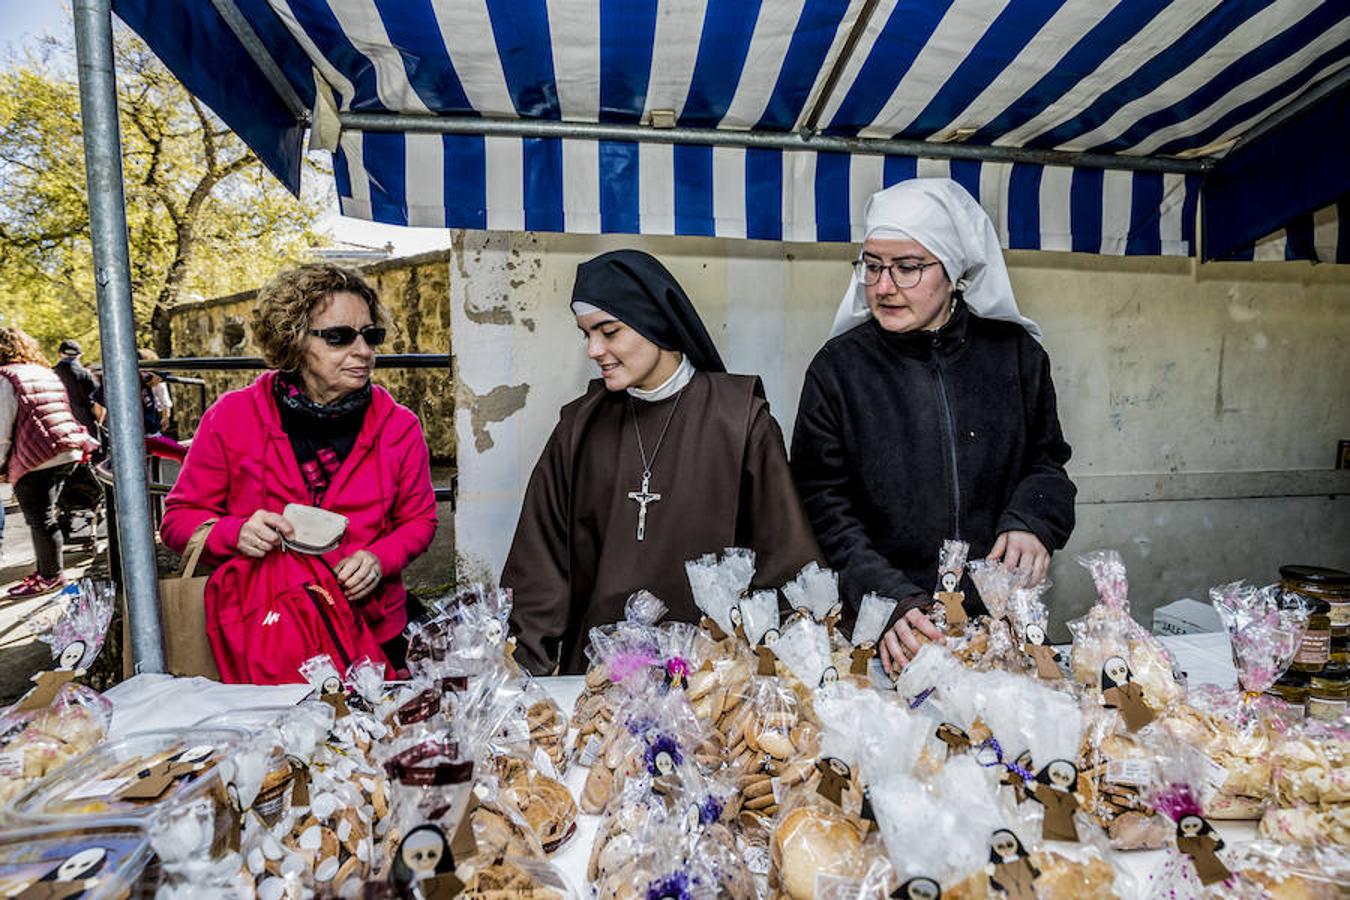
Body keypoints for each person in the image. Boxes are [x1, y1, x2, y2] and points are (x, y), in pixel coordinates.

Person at [791, 179, 1075, 675]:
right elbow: (820, 503)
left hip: (999, 626)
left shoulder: (1016, 356)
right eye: (872, 266)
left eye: (907, 268)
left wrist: (1033, 519)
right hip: (889, 628)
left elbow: (1046, 462)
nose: (883, 286)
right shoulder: (838, 371)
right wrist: (888, 598)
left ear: (953, 271)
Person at [503, 250, 822, 675]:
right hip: (599, 682)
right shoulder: (578, 427)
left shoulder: (740, 419)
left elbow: (785, 563)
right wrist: (520, 684)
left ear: (653, 319)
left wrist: (785, 681)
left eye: (609, 331)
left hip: (713, 688)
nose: (594, 350)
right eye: (586, 334)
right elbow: (538, 571)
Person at [160, 264, 438, 669]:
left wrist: (380, 558)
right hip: (267, 637)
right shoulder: (232, 417)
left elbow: (420, 521)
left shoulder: (399, 426)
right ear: (293, 340)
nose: (363, 351)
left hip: (373, 634)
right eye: (339, 337)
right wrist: (233, 532)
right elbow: (178, 521)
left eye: (370, 335)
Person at [0, 328, 100, 597]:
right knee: (47, 514)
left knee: (40, 518)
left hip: (36, 455)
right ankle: (47, 569)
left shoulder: (6, 377)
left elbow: (2, 427)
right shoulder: (43, 371)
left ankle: (50, 576)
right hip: (65, 448)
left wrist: (0, 464)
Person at [52, 340, 101, 436]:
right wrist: (98, 423)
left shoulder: (50, 374)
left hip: (58, 424)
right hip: (85, 424)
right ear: (79, 355)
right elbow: (98, 402)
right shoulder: (85, 374)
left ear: (59, 354)